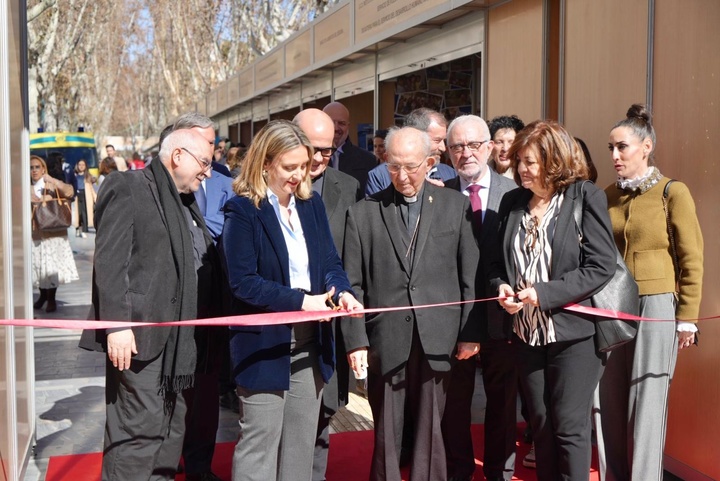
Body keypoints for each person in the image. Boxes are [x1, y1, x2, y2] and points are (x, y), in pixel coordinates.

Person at [221, 120, 363, 481]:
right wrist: (304, 302)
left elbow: (330, 261)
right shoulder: (242, 210)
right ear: (265, 163)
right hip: (264, 344)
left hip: (311, 343)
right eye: (290, 167)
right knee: (260, 444)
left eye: (304, 165)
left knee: (301, 444)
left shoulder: (310, 204)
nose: (299, 175)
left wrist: (341, 291)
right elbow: (244, 283)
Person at [79, 123, 217, 481]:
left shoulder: (185, 200)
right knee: (137, 436)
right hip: (139, 339)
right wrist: (118, 324)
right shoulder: (129, 187)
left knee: (169, 434)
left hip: (179, 343)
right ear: (177, 156)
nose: (208, 170)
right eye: (204, 161)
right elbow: (110, 262)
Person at [342, 126, 480, 481]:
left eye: (411, 166)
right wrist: (356, 339)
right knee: (386, 429)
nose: (402, 176)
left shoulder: (456, 207)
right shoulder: (363, 214)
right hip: (386, 339)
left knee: (430, 429)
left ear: (431, 162)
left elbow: (470, 278)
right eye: (393, 166)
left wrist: (470, 332)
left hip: (439, 337)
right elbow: (352, 284)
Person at [488, 120, 616, 481]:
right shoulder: (513, 201)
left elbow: (600, 265)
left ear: (553, 160)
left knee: (569, 425)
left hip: (574, 335)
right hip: (527, 334)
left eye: (529, 162)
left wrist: (543, 294)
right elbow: (497, 262)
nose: (521, 170)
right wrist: (502, 287)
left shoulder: (585, 196)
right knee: (541, 423)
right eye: (518, 162)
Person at [594, 104, 703, 481]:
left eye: (621, 147)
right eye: (610, 148)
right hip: (612, 305)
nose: (614, 156)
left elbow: (691, 258)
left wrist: (687, 318)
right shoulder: (606, 196)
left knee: (647, 401)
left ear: (646, 146)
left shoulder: (672, 192)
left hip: (656, 305)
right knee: (609, 399)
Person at [443, 115, 518, 481]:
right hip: (453, 321)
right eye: (457, 146)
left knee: (502, 403)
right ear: (447, 151)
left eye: (474, 145)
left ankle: (499, 472)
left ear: (490, 148)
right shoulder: (437, 194)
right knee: (454, 404)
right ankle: (458, 471)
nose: (466, 153)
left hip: (504, 318)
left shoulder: (516, 194)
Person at [293, 108, 363, 481]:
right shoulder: (262, 189)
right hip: (281, 325)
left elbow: (351, 259)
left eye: (328, 150)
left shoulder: (347, 187)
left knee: (322, 417)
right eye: (313, 148)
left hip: (328, 325)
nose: (320, 158)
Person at [365, 108, 457, 196]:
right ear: (416, 135)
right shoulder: (380, 176)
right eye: (437, 140)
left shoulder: (450, 173)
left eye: (443, 141)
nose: (443, 148)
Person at [30, 155, 79, 313]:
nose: (34, 170)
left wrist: (53, 180)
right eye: (31, 167)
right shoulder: (24, 186)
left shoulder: (50, 184)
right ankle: (43, 295)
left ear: (43, 168)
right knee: (39, 267)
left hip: (53, 232)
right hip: (35, 233)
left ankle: (51, 298)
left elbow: (70, 192)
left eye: (37, 167)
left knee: (52, 268)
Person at [322, 101, 377, 192]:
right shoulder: (310, 158)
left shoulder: (367, 160)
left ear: (348, 126)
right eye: (331, 122)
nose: (336, 128)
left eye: (341, 123)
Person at [488, 114, 525, 180]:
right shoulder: (481, 175)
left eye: (511, 143)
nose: (505, 149)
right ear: (490, 146)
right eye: (499, 142)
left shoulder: (524, 177)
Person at [72, 159, 96, 238]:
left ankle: (84, 229)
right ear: (77, 166)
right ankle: (77, 228)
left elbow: (92, 187)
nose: (81, 166)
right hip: (77, 195)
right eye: (80, 165)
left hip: (85, 195)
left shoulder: (88, 175)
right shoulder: (74, 175)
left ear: (85, 166)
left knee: (84, 212)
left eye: (83, 165)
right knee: (77, 213)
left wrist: (95, 198)